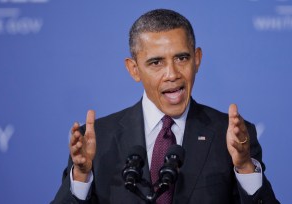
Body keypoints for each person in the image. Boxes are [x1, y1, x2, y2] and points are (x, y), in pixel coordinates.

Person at [52, 9, 279, 204]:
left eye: (181, 58)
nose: (172, 74)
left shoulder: (231, 136)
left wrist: (245, 168)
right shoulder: (98, 139)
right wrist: (81, 176)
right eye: (156, 62)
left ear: (197, 59)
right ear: (134, 69)